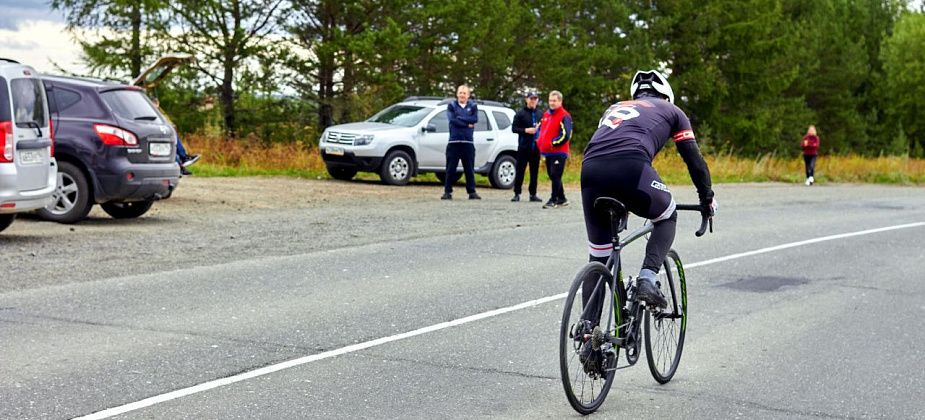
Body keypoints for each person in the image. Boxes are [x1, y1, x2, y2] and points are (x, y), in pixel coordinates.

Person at [581, 69, 715, 309]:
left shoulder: (614, 108)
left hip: (590, 169)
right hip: (631, 165)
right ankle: (647, 279)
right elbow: (694, 160)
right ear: (666, 95)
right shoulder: (673, 110)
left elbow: (607, 145)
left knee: (600, 255)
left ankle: (588, 329)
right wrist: (707, 198)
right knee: (667, 216)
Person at [442, 84, 480, 200]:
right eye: (460, 93)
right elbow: (453, 120)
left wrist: (461, 118)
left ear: (468, 95)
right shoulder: (452, 106)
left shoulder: (473, 106)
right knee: (450, 169)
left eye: (464, 93)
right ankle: (447, 192)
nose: (462, 95)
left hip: (468, 142)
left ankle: (472, 192)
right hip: (454, 142)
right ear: (457, 94)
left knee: (469, 169)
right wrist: (467, 124)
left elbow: (475, 119)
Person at [536, 90, 572, 208]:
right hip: (548, 152)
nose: (551, 103)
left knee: (555, 175)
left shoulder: (564, 116)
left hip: (559, 151)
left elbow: (566, 134)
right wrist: (539, 141)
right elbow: (541, 130)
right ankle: (562, 198)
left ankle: (553, 200)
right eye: (550, 100)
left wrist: (553, 143)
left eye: (554, 101)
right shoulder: (546, 115)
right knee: (552, 175)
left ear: (560, 101)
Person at [150, 97, 199, 176]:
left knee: (173, 145)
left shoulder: (160, 114)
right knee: (170, 148)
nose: (156, 106)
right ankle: (181, 163)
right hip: (155, 135)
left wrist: (171, 126)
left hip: (164, 133)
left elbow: (167, 123)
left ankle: (182, 162)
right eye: (154, 104)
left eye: (157, 104)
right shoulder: (150, 113)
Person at [510, 92, 543, 202]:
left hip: (536, 148)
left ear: (537, 100)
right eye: (531, 99)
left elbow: (544, 128)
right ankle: (517, 193)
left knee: (534, 172)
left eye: (535, 99)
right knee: (520, 170)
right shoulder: (520, 113)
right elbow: (514, 129)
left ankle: (533, 194)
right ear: (526, 99)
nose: (533, 101)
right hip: (523, 147)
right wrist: (526, 130)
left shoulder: (540, 113)